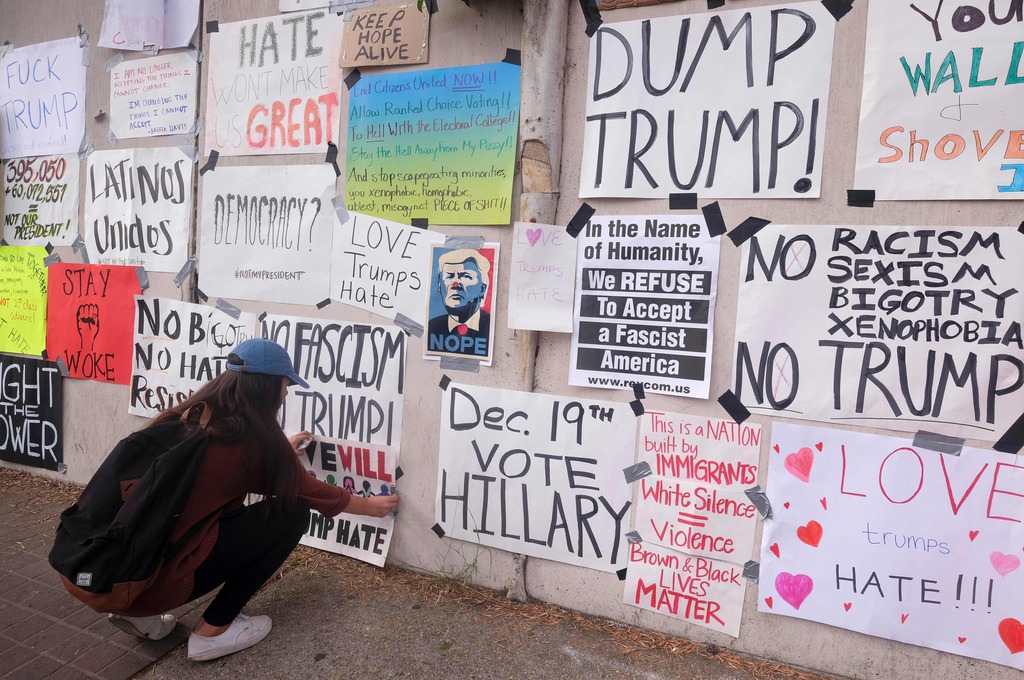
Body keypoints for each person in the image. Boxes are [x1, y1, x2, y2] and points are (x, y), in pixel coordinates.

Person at [104, 338, 399, 662]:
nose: (287, 393)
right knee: (293, 513)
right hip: (161, 582)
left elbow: (230, 468)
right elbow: (310, 491)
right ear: (266, 387)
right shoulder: (249, 444)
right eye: (285, 385)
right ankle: (213, 631)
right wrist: (372, 507)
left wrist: (280, 450)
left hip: (118, 576)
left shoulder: (191, 417)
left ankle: (139, 614)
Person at [426, 248, 492, 359]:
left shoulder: (491, 328)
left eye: (466, 276)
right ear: (439, 286)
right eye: (449, 276)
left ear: (482, 288)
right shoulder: (432, 327)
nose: (455, 284)